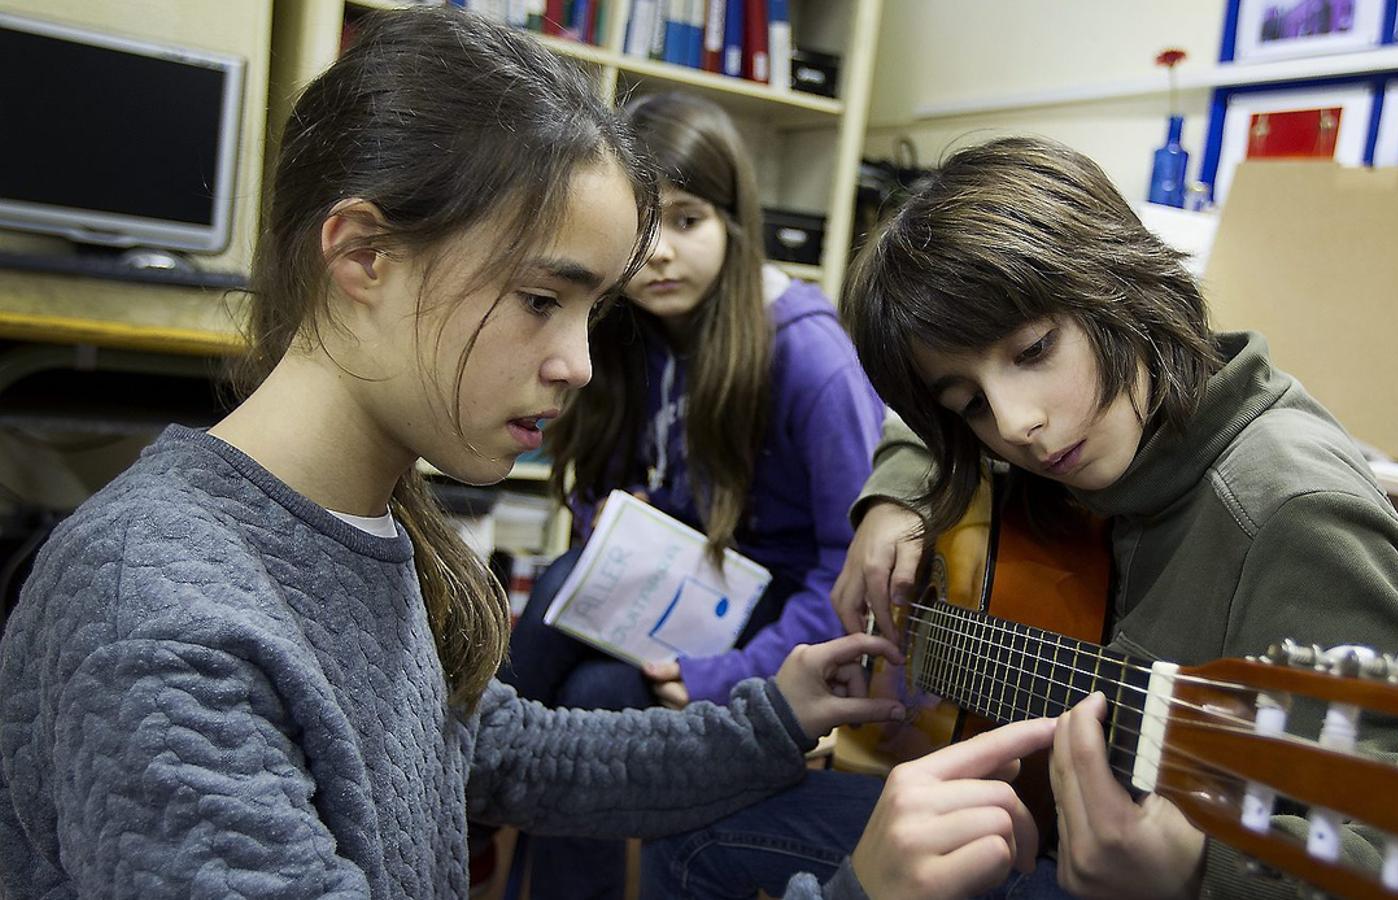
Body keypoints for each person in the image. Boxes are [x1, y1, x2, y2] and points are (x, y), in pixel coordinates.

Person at [0, 11, 908, 898]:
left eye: (593, 314)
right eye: (540, 299)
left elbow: (508, 753)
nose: (581, 365)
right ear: (364, 257)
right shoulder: (157, 613)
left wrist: (777, 714)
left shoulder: (381, 530)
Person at [643, 135, 1398, 899]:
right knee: (692, 808)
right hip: (1032, 819)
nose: (1017, 423)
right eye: (971, 405)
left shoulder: (1295, 514)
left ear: (1121, 284)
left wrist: (1198, 867)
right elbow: (921, 424)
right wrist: (897, 490)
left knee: (703, 836)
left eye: (1033, 352)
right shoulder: (1096, 431)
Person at [497, 89, 884, 897]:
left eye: (687, 220)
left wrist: (732, 674)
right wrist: (613, 529)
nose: (660, 254)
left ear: (735, 222)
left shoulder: (810, 355)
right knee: (592, 694)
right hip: (676, 594)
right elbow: (607, 483)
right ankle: (490, 800)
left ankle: (462, 782)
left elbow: (851, 575)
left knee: (568, 606)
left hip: (775, 621)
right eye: (642, 230)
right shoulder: (632, 330)